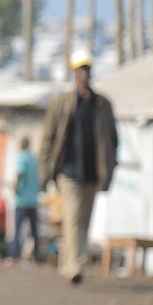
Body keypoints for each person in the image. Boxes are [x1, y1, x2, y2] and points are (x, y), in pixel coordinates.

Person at [39, 48, 118, 284]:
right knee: (72, 218)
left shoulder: (102, 105)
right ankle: (75, 265)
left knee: (84, 220)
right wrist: (45, 168)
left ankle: (68, 263)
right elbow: (48, 137)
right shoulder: (62, 103)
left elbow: (112, 140)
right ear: (74, 72)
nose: (84, 73)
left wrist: (110, 167)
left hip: (92, 172)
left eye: (87, 68)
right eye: (80, 69)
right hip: (68, 170)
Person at [8, 136, 42, 263]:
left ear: (22, 145)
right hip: (33, 199)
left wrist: (15, 186)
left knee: (17, 229)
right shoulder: (34, 159)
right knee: (34, 231)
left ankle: (14, 255)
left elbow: (20, 173)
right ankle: (37, 256)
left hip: (22, 200)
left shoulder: (22, 157)